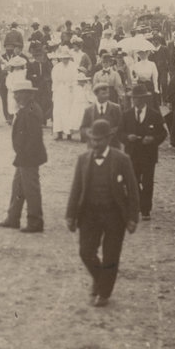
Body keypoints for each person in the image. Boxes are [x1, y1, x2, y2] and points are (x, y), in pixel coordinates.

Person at [65, 118, 140, 307]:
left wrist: (132, 217)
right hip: (89, 214)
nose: (95, 143)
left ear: (108, 139)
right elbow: (76, 188)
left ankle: (104, 292)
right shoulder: (83, 160)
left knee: (111, 256)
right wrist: (71, 215)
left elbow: (132, 190)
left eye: (99, 140)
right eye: (92, 139)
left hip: (114, 215)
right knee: (85, 252)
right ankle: (100, 279)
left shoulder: (122, 159)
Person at [0, 78, 47, 232]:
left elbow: (33, 138)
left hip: (28, 157)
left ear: (27, 94)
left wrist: (24, 156)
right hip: (24, 156)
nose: (15, 97)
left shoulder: (31, 111)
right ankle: (13, 218)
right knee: (18, 187)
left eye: (18, 94)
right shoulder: (28, 108)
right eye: (15, 94)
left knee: (30, 189)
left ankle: (35, 221)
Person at [120, 84, 167, 221]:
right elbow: (119, 133)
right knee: (133, 181)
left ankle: (146, 209)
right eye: (134, 98)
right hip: (132, 154)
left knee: (148, 182)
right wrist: (127, 138)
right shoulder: (126, 115)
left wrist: (153, 139)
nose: (136, 101)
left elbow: (163, 133)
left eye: (139, 98)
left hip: (148, 155)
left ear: (145, 99)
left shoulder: (154, 115)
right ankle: (139, 202)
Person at [80, 82, 122, 148]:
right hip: (94, 147)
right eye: (103, 93)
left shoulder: (116, 108)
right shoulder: (89, 110)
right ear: (96, 94)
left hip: (112, 146)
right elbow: (83, 128)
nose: (107, 95)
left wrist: (110, 132)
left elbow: (121, 126)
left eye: (108, 93)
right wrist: (90, 132)